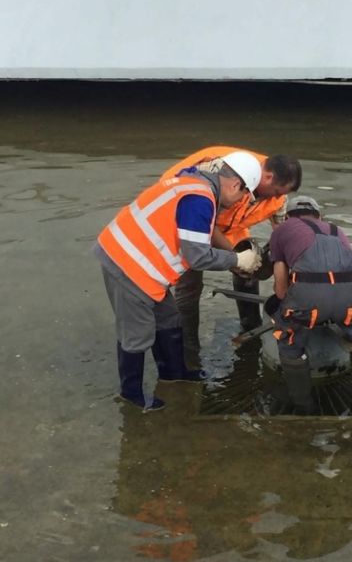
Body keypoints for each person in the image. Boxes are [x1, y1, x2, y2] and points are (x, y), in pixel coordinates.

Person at [94, 152, 263, 412]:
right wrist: (237, 260)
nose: (240, 201)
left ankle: (174, 374)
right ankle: (132, 395)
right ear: (235, 185)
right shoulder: (200, 199)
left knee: (170, 317)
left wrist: (232, 256)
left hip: (141, 262)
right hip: (127, 264)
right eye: (243, 195)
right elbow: (196, 256)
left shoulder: (194, 183)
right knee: (137, 335)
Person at [161, 145, 302, 362]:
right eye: (276, 192)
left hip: (229, 225)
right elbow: (208, 221)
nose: (276, 199)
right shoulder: (229, 173)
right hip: (186, 218)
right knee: (189, 286)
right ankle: (188, 351)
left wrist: (296, 272)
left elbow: (284, 236)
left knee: (250, 265)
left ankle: (250, 327)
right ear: (267, 177)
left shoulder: (275, 196)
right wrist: (235, 259)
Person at [264, 195, 352, 415]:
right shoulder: (337, 230)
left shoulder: (281, 230)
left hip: (308, 303)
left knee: (289, 343)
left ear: (287, 216)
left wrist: (285, 304)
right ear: (319, 215)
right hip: (351, 298)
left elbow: (280, 286)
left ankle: (305, 408)